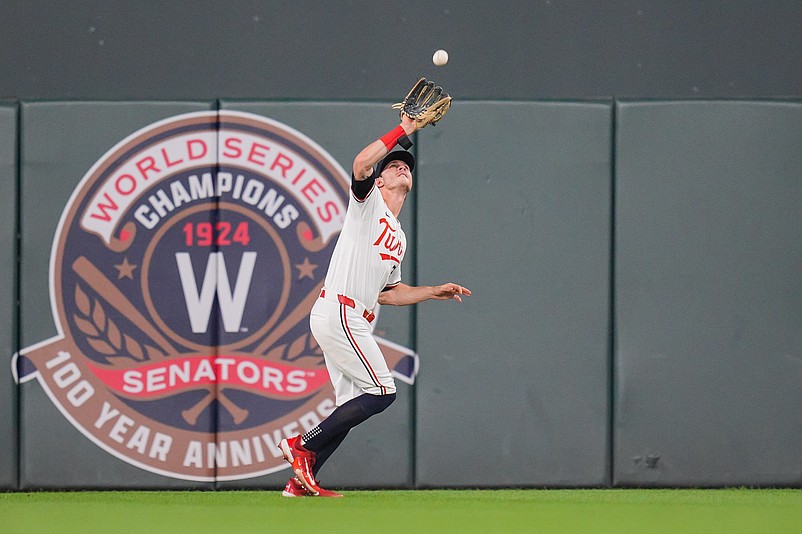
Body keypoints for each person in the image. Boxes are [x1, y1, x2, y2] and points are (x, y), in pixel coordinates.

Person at [279, 112, 470, 497]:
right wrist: (405, 130)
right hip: (340, 311)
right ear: (380, 181)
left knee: (352, 406)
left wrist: (433, 291)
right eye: (394, 166)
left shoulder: (398, 236)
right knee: (383, 392)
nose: (401, 167)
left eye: (406, 166)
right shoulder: (367, 207)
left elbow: (389, 293)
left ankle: (298, 483)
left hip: (352, 317)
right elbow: (360, 164)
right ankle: (301, 445)